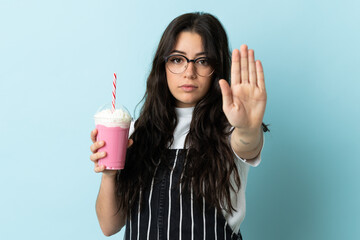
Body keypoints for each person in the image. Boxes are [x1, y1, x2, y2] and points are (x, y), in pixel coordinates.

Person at [90, 12, 268, 240]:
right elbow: (109, 226)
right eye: (177, 59)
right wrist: (109, 176)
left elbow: (247, 144)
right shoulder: (136, 132)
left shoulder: (231, 127)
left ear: (217, 67)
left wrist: (246, 127)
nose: (189, 72)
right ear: (162, 66)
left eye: (202, 61)